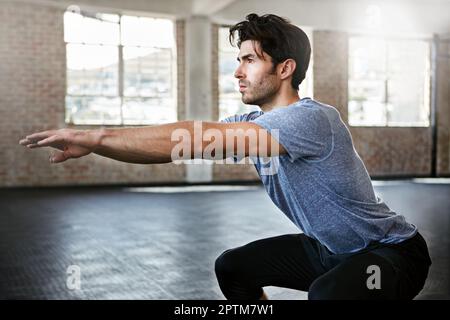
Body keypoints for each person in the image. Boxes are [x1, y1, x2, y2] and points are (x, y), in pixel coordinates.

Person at [19, 13, 431, 300]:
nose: (238, 71)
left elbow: (194, 137)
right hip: (327, 249)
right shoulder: (250, 121)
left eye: (249, 60)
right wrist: (98, 141)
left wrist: (95, 136)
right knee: (233, 268)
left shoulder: (312, 119)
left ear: (285, 68)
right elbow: (178, 145)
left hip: (389, 254)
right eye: (239, 60)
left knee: (330, 294)